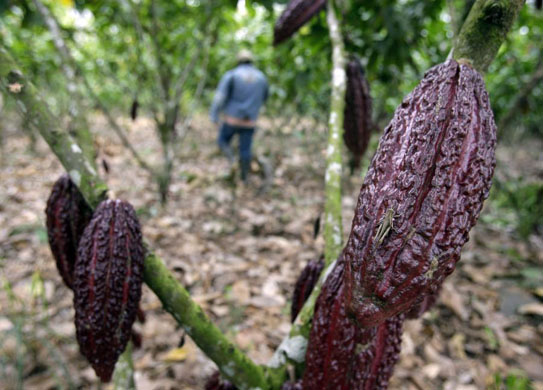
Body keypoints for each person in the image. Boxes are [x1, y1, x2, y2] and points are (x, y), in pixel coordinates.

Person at [210, 49, 268, 183]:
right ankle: (244, 178)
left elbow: (220, 96)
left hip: (232, 119)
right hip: (250, 121)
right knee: (245, 149)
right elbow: (265, 97)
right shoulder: (261, 77)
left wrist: (214, 115)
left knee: (222, 141)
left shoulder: (232, 75)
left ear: (238, 61)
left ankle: (232, 161)